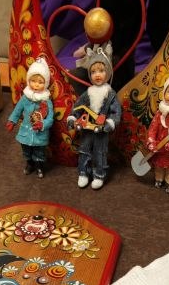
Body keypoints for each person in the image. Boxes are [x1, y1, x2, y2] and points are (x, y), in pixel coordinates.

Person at [66, 44, 120, 191]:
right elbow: (78, 107)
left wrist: (110, 122)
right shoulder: (87, 93)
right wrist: (72, 118)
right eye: (93, 71)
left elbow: (116, 112)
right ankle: (83, 173)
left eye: (101, 71)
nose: (97, 75)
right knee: (84, 149)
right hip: (87, 128)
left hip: (101, 130)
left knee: (100, 152)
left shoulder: (111, 94)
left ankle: (99, 175)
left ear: (108, 72)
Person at [7, 58, 54, 178]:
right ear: (28, 81)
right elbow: (17, 110)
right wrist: (12, 120)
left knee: (39, 150)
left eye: (40, 82)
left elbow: (50, 119)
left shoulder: (46, 101)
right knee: (26, 149)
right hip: (26, 131)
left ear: (46, 83)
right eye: (33, 81)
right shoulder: (25, 98)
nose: (36, 84)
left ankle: (39, 166)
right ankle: (29, 163)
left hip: (40, 132)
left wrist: (42, 124)